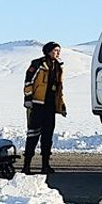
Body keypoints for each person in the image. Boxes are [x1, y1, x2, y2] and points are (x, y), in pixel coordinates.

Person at [23, 41, 66, 174]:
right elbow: (28, 81)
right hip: (37, 105)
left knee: (48, 136)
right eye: (55, 50)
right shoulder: (38, 64)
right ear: (47, 51)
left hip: (50, 106)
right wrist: (28, 98)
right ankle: (27, 166)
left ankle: (45, 165)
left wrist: (61, 105)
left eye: (59, 50)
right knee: (33, 135)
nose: (57, 53)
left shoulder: (58, 66)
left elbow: (59, 88)